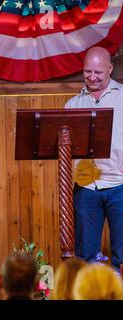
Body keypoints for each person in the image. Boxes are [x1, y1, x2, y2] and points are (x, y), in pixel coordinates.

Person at [66, 46, 123, 272]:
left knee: (121, 256)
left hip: (119, 185)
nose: (92, 77)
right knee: (85, 257)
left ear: (110, 69)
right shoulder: (72, 105)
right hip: (86, 188)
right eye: (87, 71)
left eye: (98, 72)